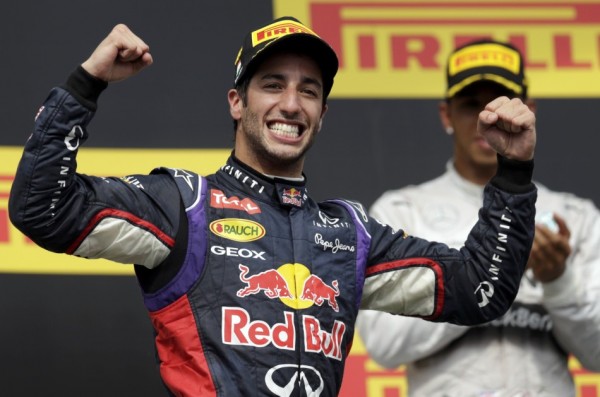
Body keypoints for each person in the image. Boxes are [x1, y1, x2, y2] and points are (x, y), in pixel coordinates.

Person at [8, 17, 538, 396]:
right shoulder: (184, 205)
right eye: (272, 85)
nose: (291, 103)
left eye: (308, 90)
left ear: (323, 112)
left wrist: (512, 173)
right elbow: (43, 209)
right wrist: (85, 85)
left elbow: (478, 290)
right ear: (237, 102)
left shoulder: (349, 232)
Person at [357, 39, 600, 397]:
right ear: (446, 115)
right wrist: (481, 272)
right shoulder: (401, 211)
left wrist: (558, 280)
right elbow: (384, 345)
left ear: (528, 110)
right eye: (471, 105)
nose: (489, 118)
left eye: (501, 103)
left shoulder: (575, 216)